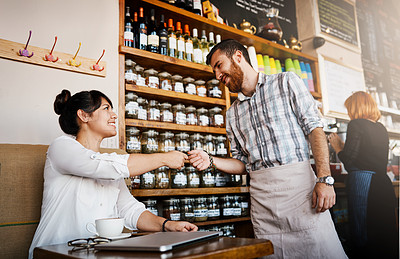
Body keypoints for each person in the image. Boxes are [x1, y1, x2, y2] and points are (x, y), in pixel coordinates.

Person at [188, 39, 347, 258]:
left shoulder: (286, 82)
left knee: (320, 250)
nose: (217, 75)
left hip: (301, 192)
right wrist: (212, 160)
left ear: (237, 57)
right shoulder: (232, 114)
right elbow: (242, 163)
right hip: (263, 202)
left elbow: (315, 129)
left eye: (219, 65)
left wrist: (324, 179)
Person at [29, 89, 197, 258]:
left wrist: (167, 225)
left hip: (97, 253)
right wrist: (163, 159)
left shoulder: (109, 166)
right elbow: (101, 165)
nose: (114, 115)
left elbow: (130, 210)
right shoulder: (61, 147)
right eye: (106, 108)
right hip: (54, 253)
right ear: (84, 115)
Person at [328, 91, 398, 259]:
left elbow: (350, 160)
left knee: (362, 233)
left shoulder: (356, 124)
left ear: (355, 107)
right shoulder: (380, 127)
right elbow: (365, 155)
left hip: (364, 183)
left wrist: (338, 146)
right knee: (385, 232)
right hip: (382, 183)